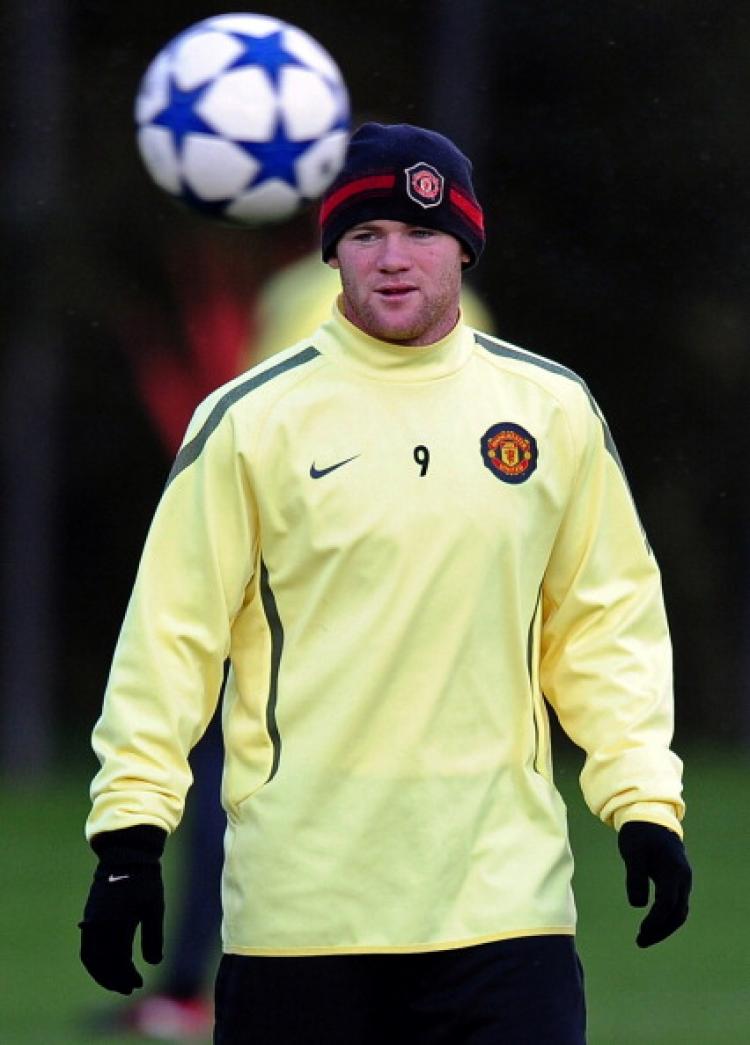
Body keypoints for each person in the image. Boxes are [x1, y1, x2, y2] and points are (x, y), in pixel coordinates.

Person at [79, 122, 692, 1044]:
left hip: (504, 912)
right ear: (333, 255)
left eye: (422, 231)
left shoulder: (552, 410)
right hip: (302, 917)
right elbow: (170, 637)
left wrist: (641, 798)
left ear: (466, 247)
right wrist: (130, 835)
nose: (394, 257)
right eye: (366, 235)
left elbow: (606, 625)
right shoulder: (249, 421)